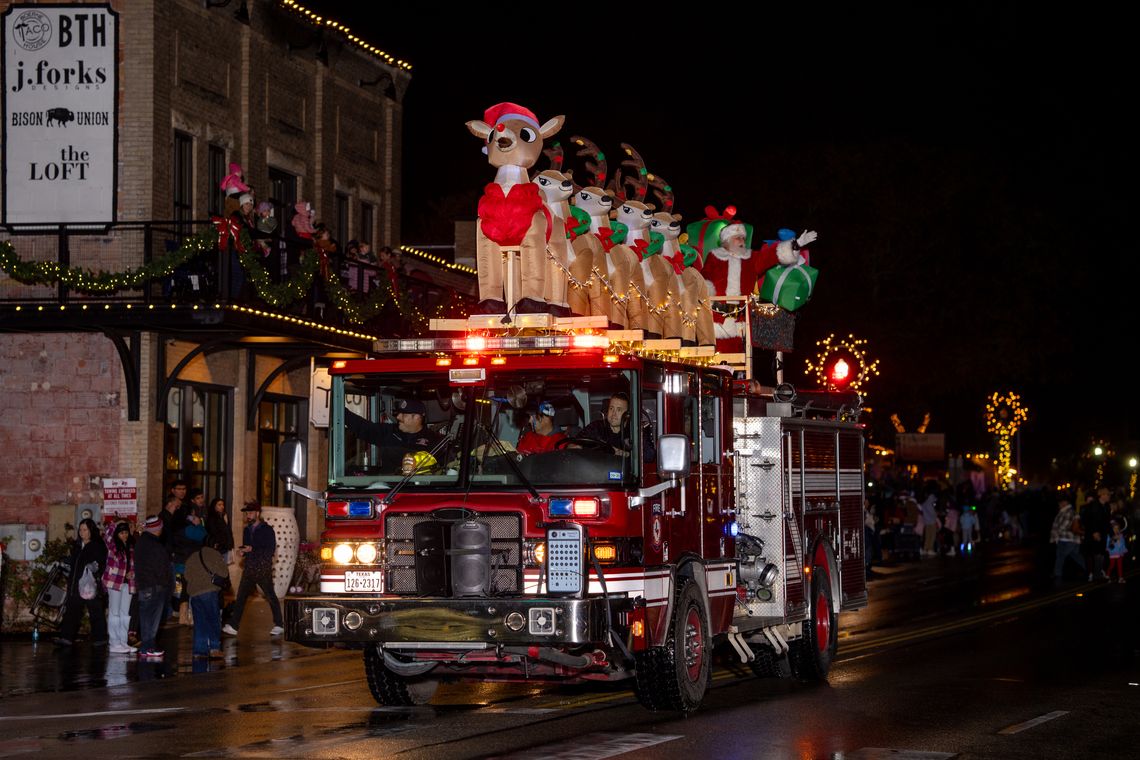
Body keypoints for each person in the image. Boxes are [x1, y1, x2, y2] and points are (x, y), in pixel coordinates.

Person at [222, 501, 284, 637]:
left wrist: (252, 549)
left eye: (250, 513)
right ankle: (233, 626)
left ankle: (279, 624)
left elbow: (270, 550)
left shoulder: (267, 530)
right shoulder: (247, 530)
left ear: (257, 513)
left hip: (262, 568)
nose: (248, 516)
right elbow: (247, 546)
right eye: (246, 513)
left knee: (270, 596)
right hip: (250, 567)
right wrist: (243, 552)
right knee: (241, 597)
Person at [55, 518, 108, 647]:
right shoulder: (77, 546)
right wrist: (64, 562)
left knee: (95, 611)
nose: (82, 532)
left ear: (91, 531)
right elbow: (74, 562)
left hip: (90, 585)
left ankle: (100, 639)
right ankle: (66, 637)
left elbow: (101, 562)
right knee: (72, 611)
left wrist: (94, 566)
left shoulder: (97, 546)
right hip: (75, 585)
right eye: (80, 529)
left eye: (85, 530)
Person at [345, 398, 443, 454]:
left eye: (404, 414)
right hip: (388, 488)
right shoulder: (389, 432)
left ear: (417, 418)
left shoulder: (436, 441)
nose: (398, 417)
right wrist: (342, 412)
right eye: (399, 413)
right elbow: (363, 427)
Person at [134, 515, 172, 659]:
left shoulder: (141, 542)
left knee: (145, 617)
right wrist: (164, 583)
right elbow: (162, 567)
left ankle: (146, 646)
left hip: (143, 585)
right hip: (155, 586)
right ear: (157, 529)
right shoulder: (155, 545)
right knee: (153, 618)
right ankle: (148, 646)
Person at [578, 392, 656, 461]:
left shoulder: (637, 430)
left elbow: (649, 456)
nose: (613, 413)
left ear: (628, 415)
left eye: (619, 410)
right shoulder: (596, 427)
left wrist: (623, 454)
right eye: (611, 408)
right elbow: (573, 444)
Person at [186, 539, 229, 659]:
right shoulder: (214, 554)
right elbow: (224, 573)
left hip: (194, 593)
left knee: (200, 622)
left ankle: (199, 650)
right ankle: (214, 649)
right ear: (215, 545)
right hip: (209, 592)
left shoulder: (193, 556)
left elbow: (187, 575)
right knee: (213, 620)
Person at [102, 520, 136, 654]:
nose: (124, 535)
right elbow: (107, 535)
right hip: (114, 582)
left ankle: (122, 641)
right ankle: (114, 642)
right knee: (114, 612)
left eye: (126, 532)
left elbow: (133, 564)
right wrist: (115, 523)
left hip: (128, 583)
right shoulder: (112, 545)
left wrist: (132, 573)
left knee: (124, 613)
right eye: (121, 533)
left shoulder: (131, 546)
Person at [1050, 498, 1086, 585]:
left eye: (1060, 503)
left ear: (1065, 502)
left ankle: (1057, 574)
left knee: (1061, 556)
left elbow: (1063, 526)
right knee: (1075, 556)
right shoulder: (1063, 511)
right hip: (1066, 539)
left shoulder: (1068, 512)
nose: (1059, 505)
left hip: (1069, 539)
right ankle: (1088, 569)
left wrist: (1055, 535)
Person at [204, 497, 235, 563]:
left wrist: (230, 545)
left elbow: (229, 532)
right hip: (218, 548)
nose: (222, 507)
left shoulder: (224, 516)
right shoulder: (212, 518)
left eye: (223, 505)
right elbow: (214, 533)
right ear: (214, 506)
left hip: (226, 548)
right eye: (219, 505)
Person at [1106, 518, 1128, 583]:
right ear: (1112, 529)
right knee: (1112, 565)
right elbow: (1108, 545)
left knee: (1120, 565)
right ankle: (1107, 575)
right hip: (1113, 553)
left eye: (1117, 528)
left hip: (1119, 552)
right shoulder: (1110, 536)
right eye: (1114, 529)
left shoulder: (1121, 535)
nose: (1116, 530)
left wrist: (1120, 542)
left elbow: (1123, 544)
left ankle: (1120, 578)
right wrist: (1113, 541)